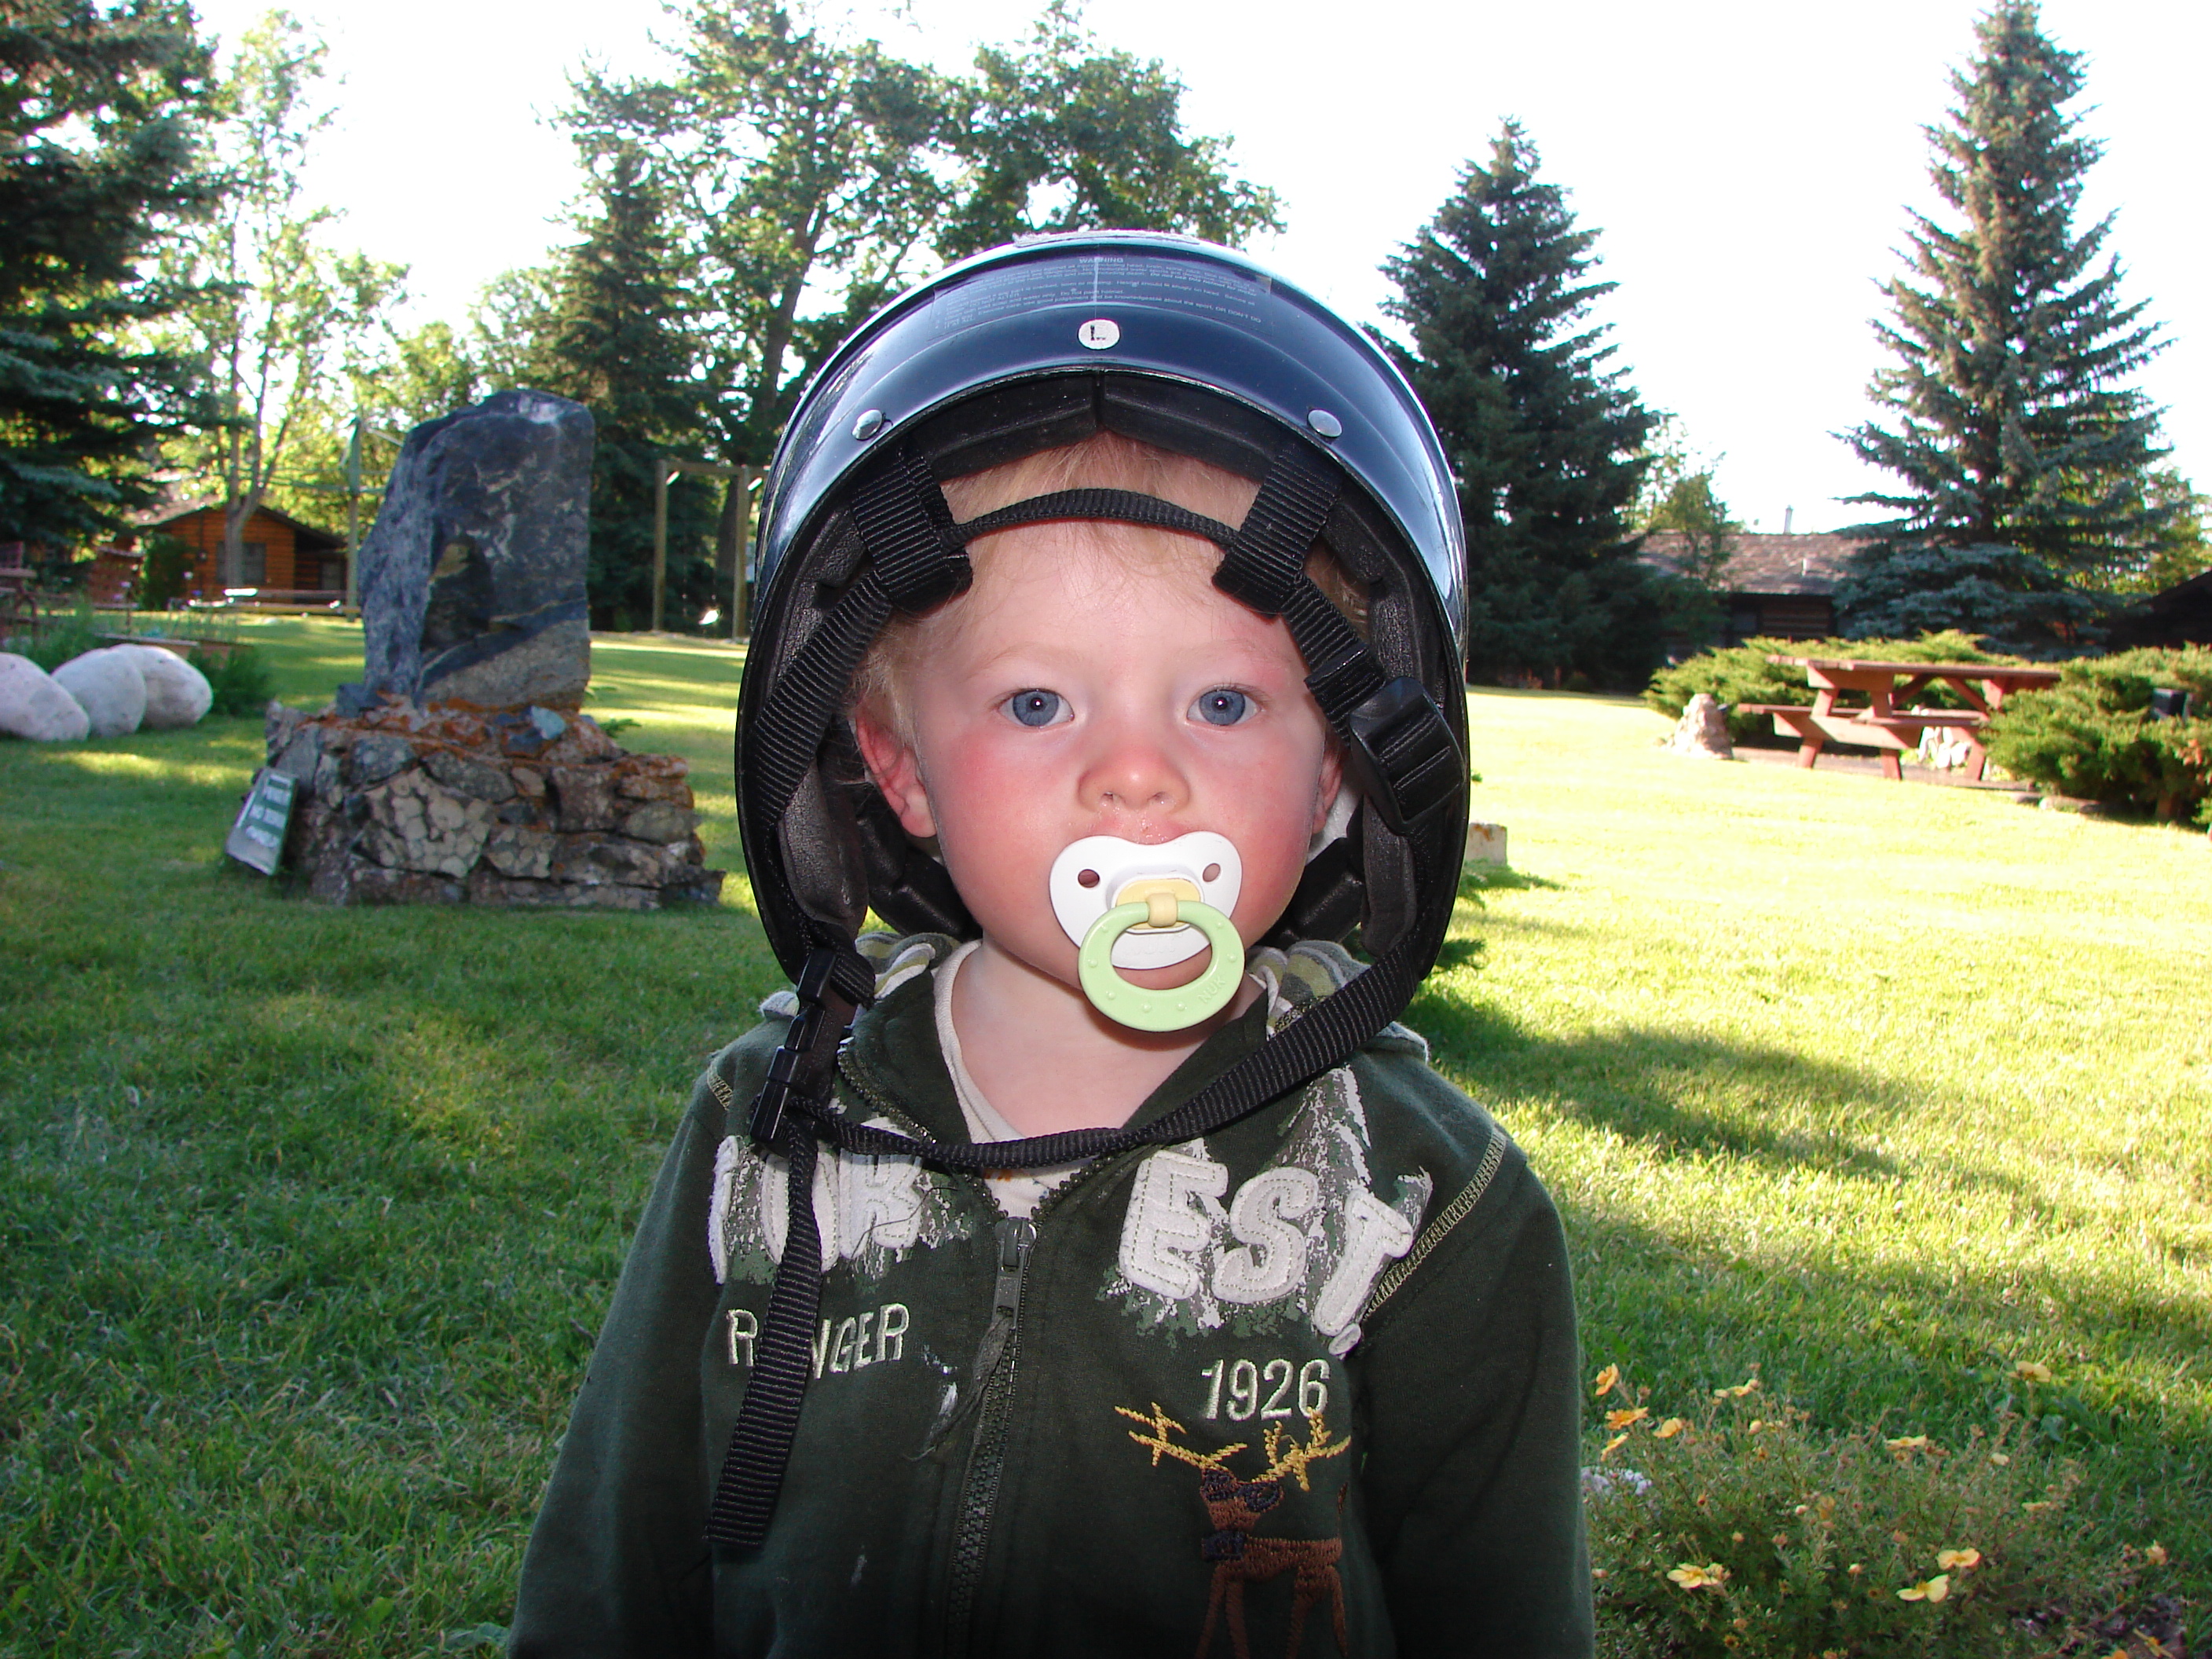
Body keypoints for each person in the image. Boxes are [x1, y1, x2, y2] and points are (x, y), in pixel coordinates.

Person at [510, 233, 1590, 1657]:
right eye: (1034, 706)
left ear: (1342, 772)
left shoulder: (1427, 1197)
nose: (1135, 777)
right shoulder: (763, 1122)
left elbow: (1505, 1615)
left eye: (1221, 704)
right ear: (899, 776)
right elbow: (614, 1557)